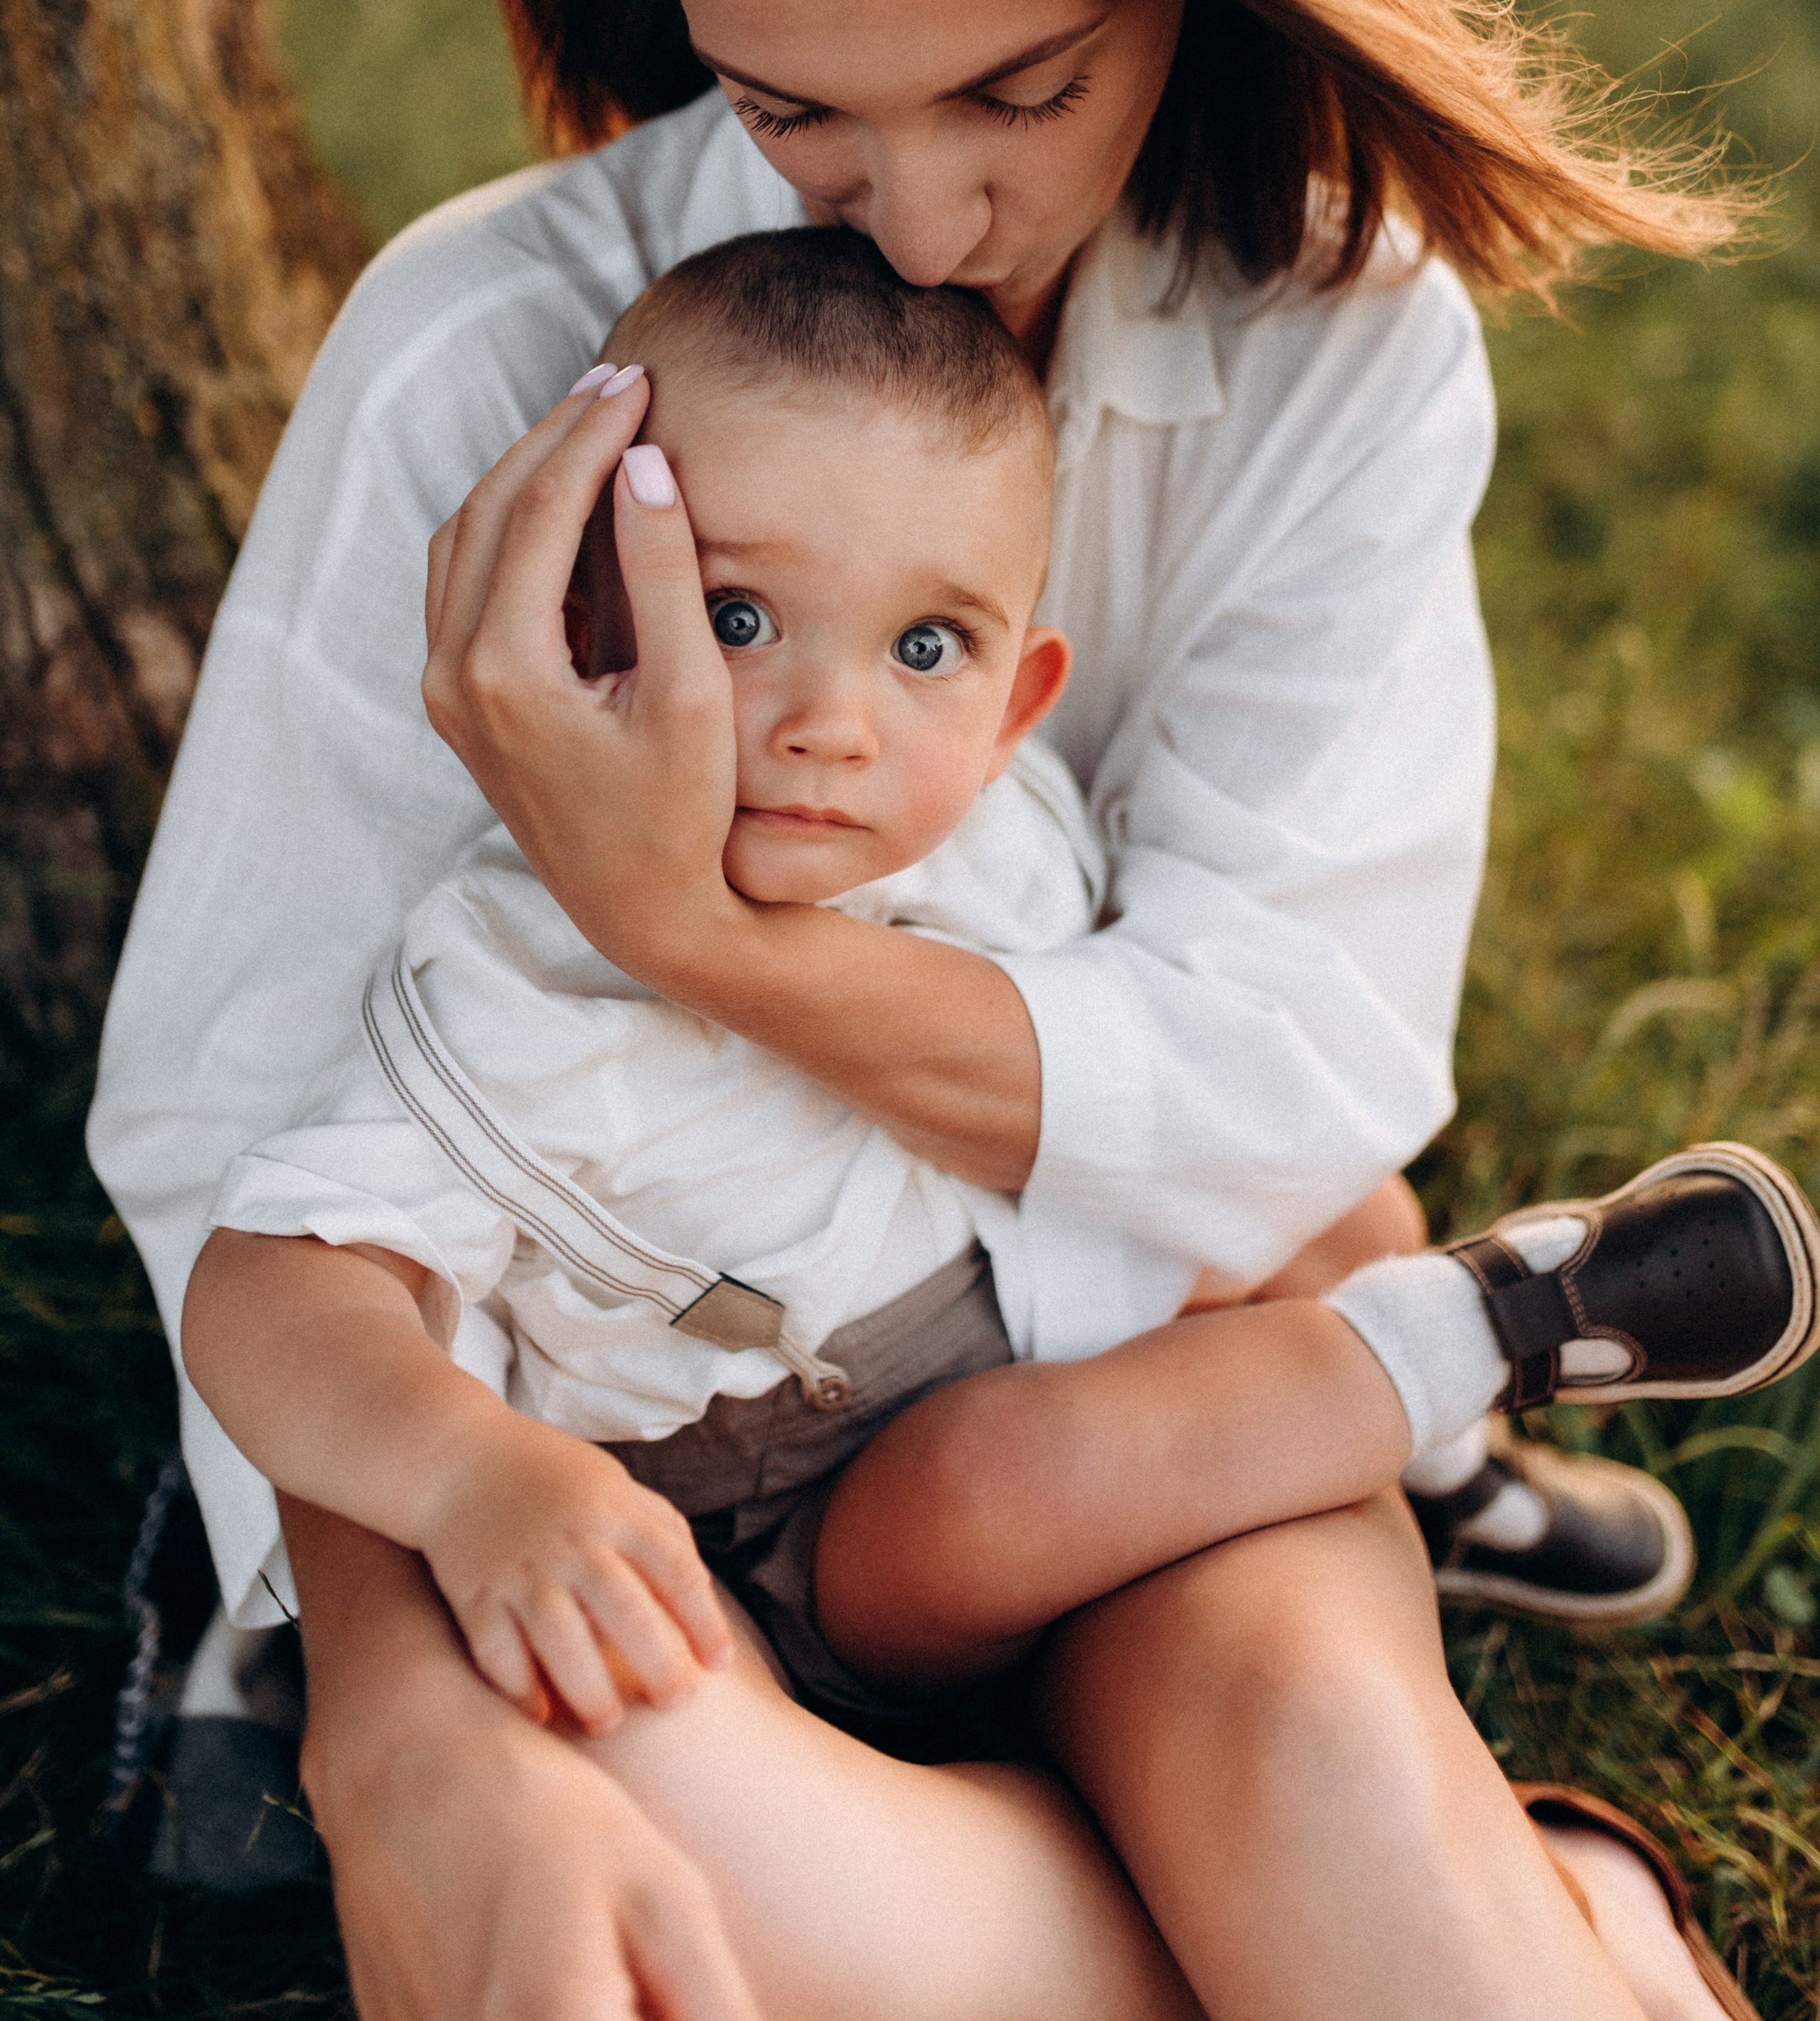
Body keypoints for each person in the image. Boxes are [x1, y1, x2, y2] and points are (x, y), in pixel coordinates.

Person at [88, 0, 1762, 2018]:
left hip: (1099, 1385)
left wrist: (710, 940)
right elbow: (236, 1137)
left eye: (1017, 84)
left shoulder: (1336, 338)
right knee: (645, 1883)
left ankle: (1474, 1890)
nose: (913, 226)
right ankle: (1570, 1903)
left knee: (1350, 1852)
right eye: (791, 109)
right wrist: (407, 1725)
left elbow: (1284, 1085)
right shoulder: (488, 360)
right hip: (603, 1457)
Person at [178, 226, 1820, 1770]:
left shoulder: (992, 835)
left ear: (1021, 694)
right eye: (740, 619)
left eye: (923, 649)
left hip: (1014, 1281)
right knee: (995, 1489)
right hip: (798, 1506)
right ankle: (1490, 1329)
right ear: (585, 620)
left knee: (1314, 1195)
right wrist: (479, 1479)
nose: (834, 722)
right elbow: (270, 1289)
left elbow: (1176, 1082)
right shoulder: (517, 984)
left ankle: (1440, 1464)